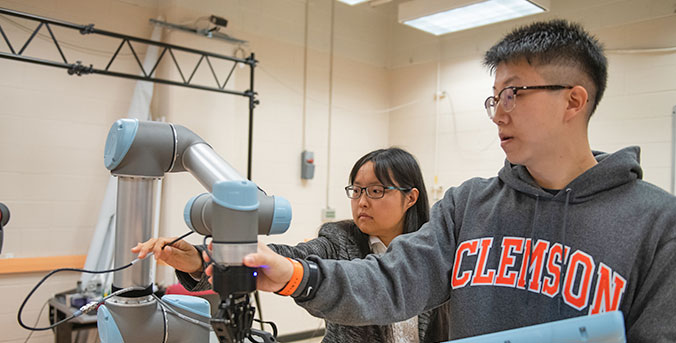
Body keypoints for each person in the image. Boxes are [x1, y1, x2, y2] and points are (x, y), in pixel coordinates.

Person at [240, 20, 676, 342]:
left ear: (573, 100)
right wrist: (294, 274)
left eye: (514, 93)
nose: (499, 113)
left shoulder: (656, 223)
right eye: (494, 98)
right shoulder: (469, 205)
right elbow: (391, 281)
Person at [133, 147, 451, 343]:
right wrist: (201, 260)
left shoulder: (435, 248)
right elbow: (291, 257)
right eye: (356, 190)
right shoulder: (339, 240)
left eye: (376, 191)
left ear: (411, 197)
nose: (362, 201)